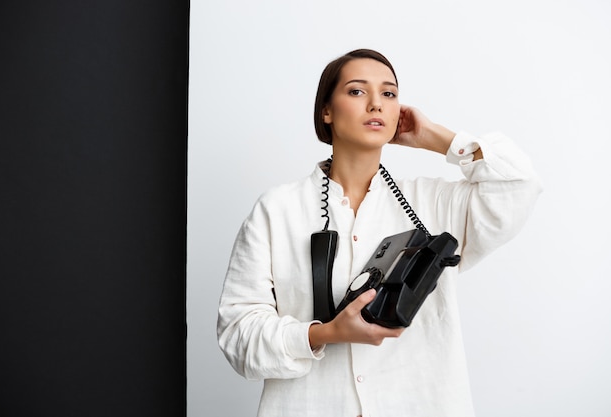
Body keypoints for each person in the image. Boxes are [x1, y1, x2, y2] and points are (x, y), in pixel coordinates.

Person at [217, 49, 542, 417]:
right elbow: (237, 335)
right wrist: (324, 334)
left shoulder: (432, 202)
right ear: (326, 111)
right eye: (357, 91)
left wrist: (437, 138)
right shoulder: (276, 210)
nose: (376, 104)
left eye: (389, 94)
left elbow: (520, 185)